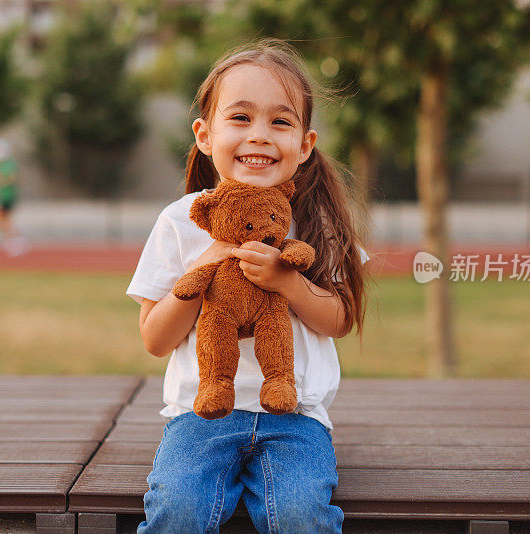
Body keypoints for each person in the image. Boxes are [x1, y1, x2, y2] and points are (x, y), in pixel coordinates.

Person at [126, 39, 369, 534]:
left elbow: (339, 319)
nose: (260, 136)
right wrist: (208, 262)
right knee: (178, 512)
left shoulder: (316, 222)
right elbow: (154, 339)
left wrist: (288, 283)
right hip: (202, 417)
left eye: (280, 122)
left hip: (295, 418)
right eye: (240, 118)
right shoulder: (180, 222)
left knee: (302, 516)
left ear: (305, 144)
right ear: (205, 135)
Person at [0, 138, 28, 256]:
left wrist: (0, 180)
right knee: (2, 220)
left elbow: (11, 178)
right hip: (3, 196)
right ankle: (12, 239)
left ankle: (15, 239)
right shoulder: (0, 166)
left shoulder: (6, 165)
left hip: (6, 196)